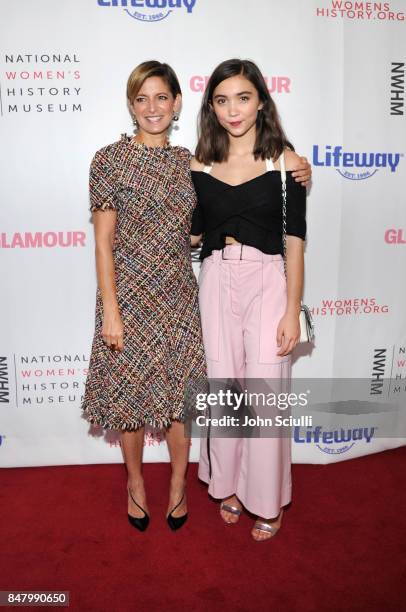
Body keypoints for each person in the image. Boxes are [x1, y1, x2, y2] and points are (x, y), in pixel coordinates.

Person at [81, 60, 207, 532]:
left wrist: (293, 162)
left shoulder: (190, 163)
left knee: (178, 400)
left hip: (177, 297)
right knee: (129, 400)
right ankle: (134, 483)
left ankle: (177, 484)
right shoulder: (108, 161)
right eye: (141, 98)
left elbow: (243, 174)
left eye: (161, 97)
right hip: (127, 299)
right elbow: (104, 242)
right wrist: (111, 310)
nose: (152, 107)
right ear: (131, 105)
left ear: (176, 103)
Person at [190, 59, 309, 541]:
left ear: (261, 99)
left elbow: (296, 240)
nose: (232, 109)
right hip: (216, 277)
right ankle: (232, 485)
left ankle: (268, 500)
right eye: (221, 100)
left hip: (269, 280)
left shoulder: (287, 163)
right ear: (211, 107)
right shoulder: (198, 163)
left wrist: (291, 310)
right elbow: (194, 233)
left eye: (242, 97)